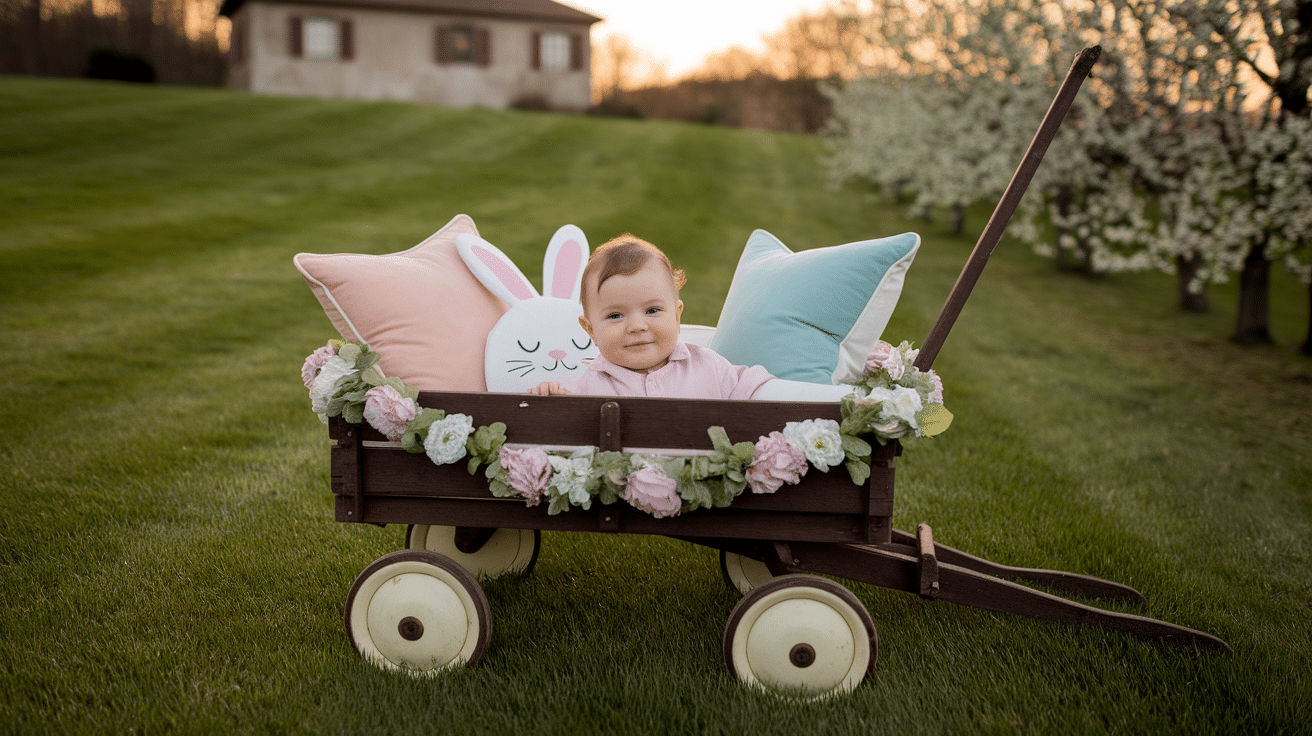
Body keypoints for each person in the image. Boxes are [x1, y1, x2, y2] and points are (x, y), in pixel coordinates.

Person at [528, 234, 849, 402]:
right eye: (615, 315)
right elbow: (574, 440)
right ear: (590, 330)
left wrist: (835, 400)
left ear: (677, 314)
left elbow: (759, 390)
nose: (638, 326)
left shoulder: (708, 366)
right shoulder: (592, 383)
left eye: (653, 311)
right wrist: (554, 402)